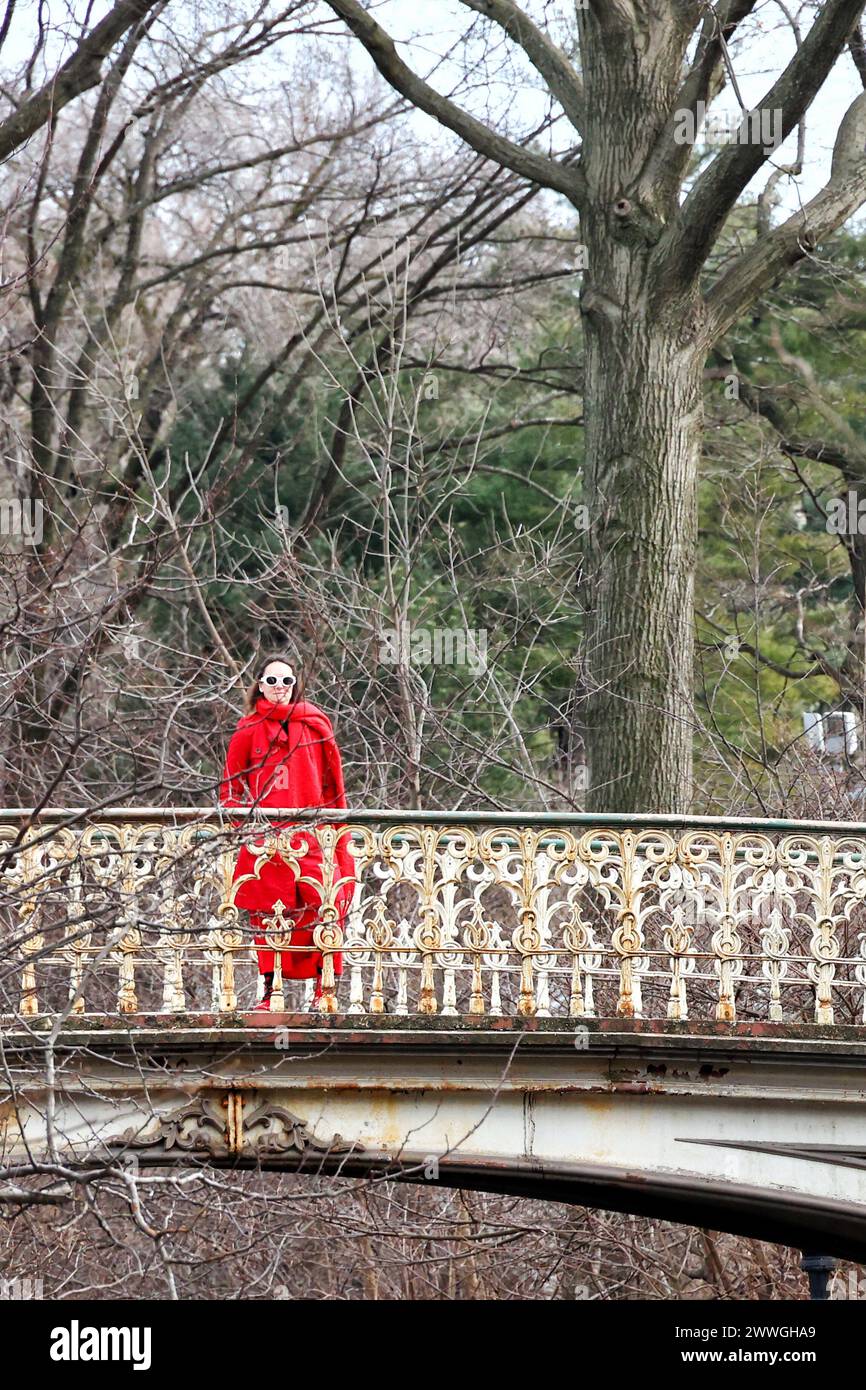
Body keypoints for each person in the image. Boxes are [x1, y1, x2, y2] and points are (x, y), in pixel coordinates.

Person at [219, 653, 355, 1011]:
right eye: (272, 681)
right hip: (265, 840)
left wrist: (332, 830)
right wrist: (246, 827)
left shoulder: (315, 725)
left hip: (310, 836)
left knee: (322, 906)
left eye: (286, 682)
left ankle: (323, 990)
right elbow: (230, 789)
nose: (279, 688)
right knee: (268, 914)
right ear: (259, 685)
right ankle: (270, 993)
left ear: (296, 687)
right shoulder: (247, 729)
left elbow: (331, 785)